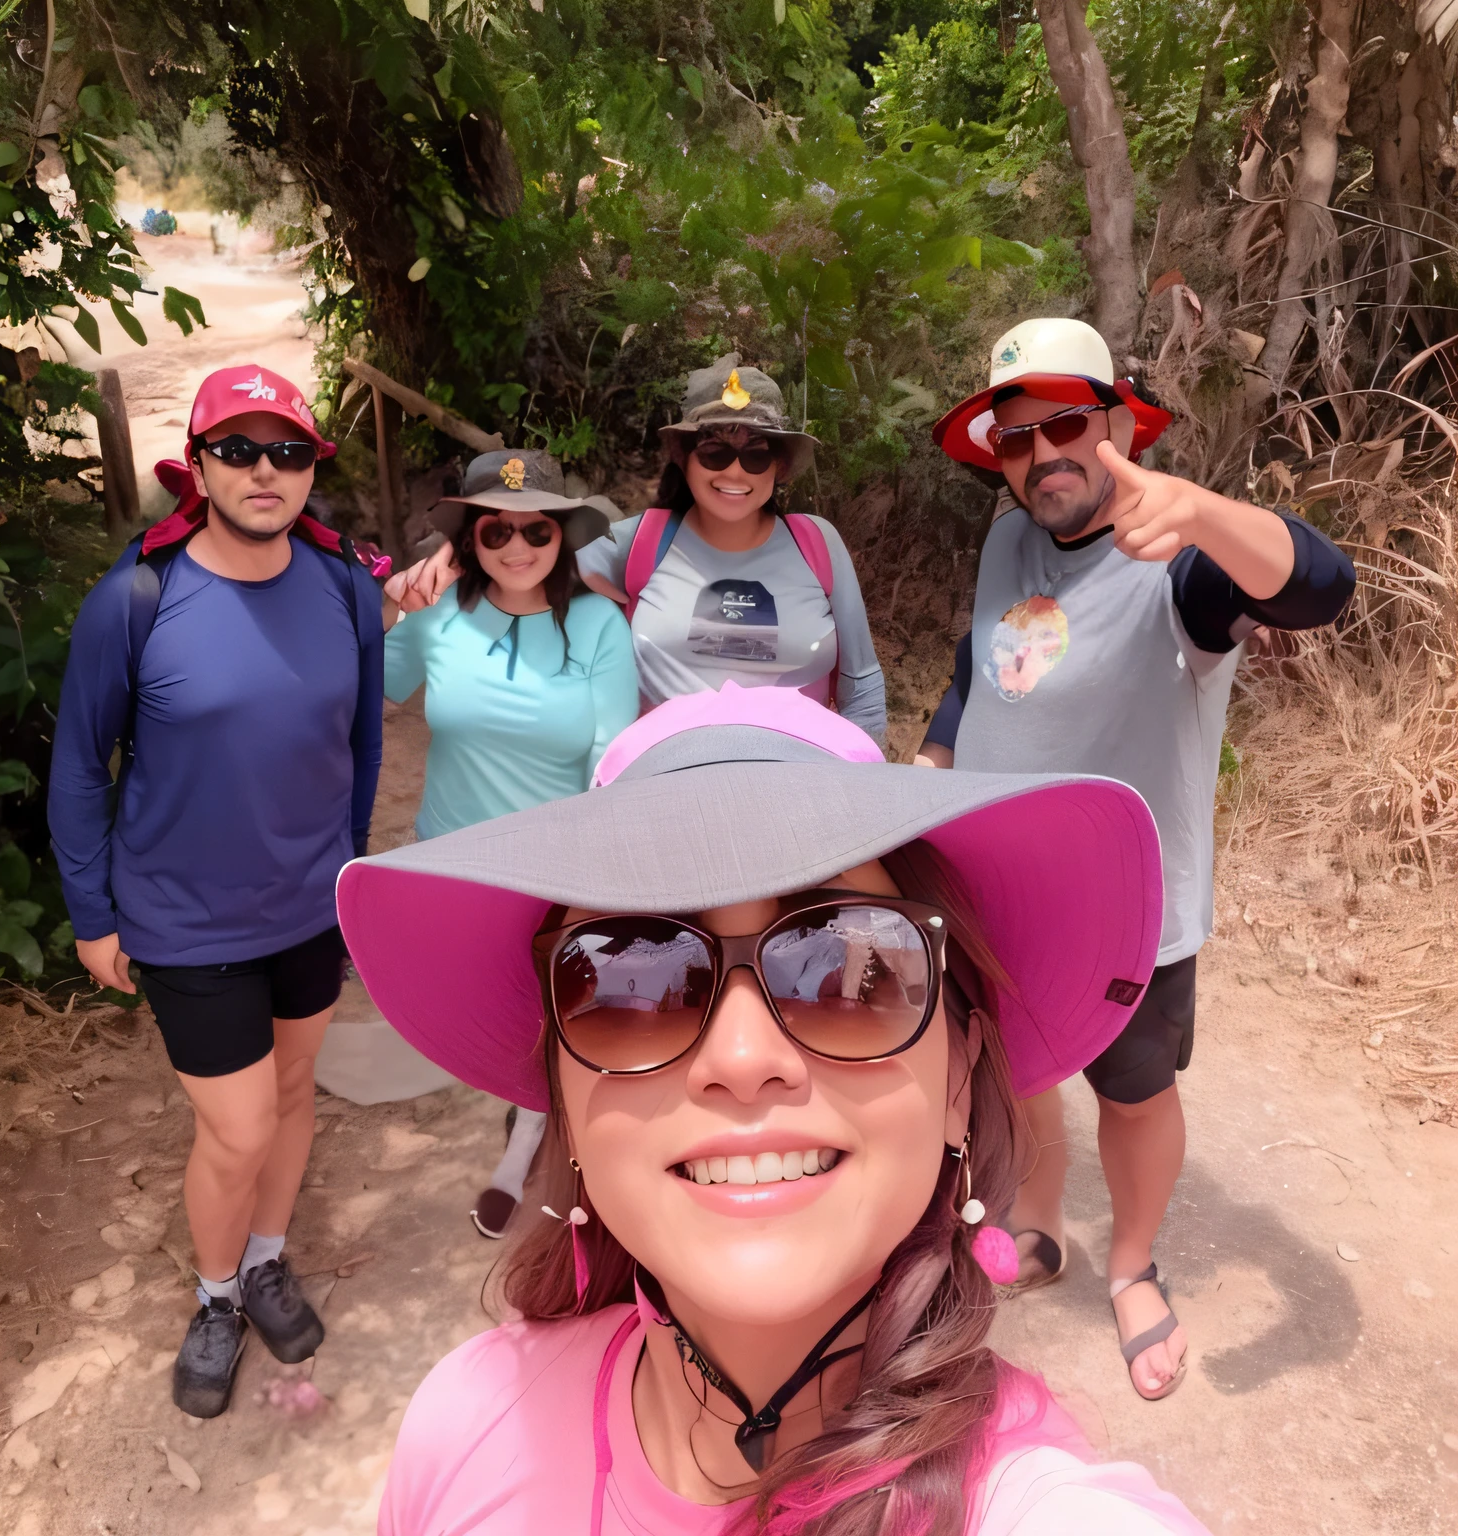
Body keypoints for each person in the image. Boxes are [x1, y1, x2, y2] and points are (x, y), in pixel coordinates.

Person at [338, 683, 1212, 1536]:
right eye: (629, 981)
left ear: (957, 1085)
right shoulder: (464, 1424)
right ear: (565, 1110)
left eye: (848, 972)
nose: (744, 1060)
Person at [920, 317, 1356, 1400]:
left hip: (1130, 905)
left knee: (1133, 1087)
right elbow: (986, 660)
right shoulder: (1006, 540)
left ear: (1122, 421)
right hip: (997, 883)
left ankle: (1132, 1264)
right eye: (1014, 439)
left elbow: (1321, 589)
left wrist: (1207, 512)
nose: (1041, 455)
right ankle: (1038, 1219)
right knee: (1013, 1066)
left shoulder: (1182, 557)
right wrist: (935, 749)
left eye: (1065, 424)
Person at [48, 364, 386, 1418]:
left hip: (309, 906)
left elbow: (363, 743)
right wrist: (92, 913)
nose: (263, 471)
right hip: (185, 918)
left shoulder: (343, 588)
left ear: (310, 470)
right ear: (196, 469)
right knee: (235, 1128)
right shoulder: (136, 599)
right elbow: (76, 764)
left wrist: (355, 878)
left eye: (285, 451)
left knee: (291, 1096)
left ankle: (269, 1257)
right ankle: (215, 1296)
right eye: (236, 450)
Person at [379, 449, 639, 1237]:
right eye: (497, 531)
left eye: (537, 531)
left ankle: (530, 1144)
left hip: (555, 864)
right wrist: (384, 603)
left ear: (563, 535)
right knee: (491, 1010)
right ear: (469, 537)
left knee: (557, 1012)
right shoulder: (435, 621)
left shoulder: (596, 624)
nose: (518, 548)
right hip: (455, 865)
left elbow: (610, 753)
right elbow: (364, 688)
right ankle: (529, 1112)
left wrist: (595, 870)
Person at [577, 354, 887, 742]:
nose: (735, 472)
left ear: (780, 465)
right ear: (683, 458)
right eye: (714, 452)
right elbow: (535, 567)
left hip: (800, 781)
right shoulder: (640, 542)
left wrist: (868, 784)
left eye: (756, 454)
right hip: (666, 781)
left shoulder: (817, 545)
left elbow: (862, 686)